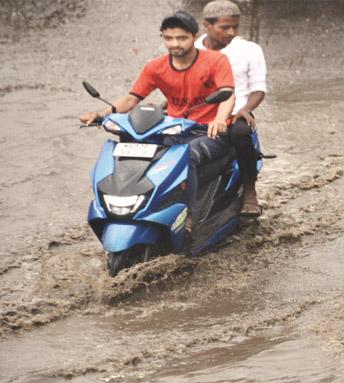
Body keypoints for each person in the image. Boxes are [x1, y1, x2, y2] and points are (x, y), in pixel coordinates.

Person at [79, 11, 235, 233]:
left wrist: (219, 119)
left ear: (195, 36)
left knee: (185, 155)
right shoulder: (155, 67)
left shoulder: (215, 60)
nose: (174, 44)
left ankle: (189, 216)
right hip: (173, 128)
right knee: (135, 154)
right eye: (168, 38)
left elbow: (228, 94)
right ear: (162, 37)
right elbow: (132, 98)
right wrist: (102, 113)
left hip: (208, 132)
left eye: (181, 38)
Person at [197, 0, 268, 217]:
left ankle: (249, 191)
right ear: (207, 26)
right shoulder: (192, 48)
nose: (231, 32)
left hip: (236, 111)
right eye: (225, 27)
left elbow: (258, 89)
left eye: (235, 27)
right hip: (199, 113)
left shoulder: (250, 49)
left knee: (240, 133)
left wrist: (246, 109)